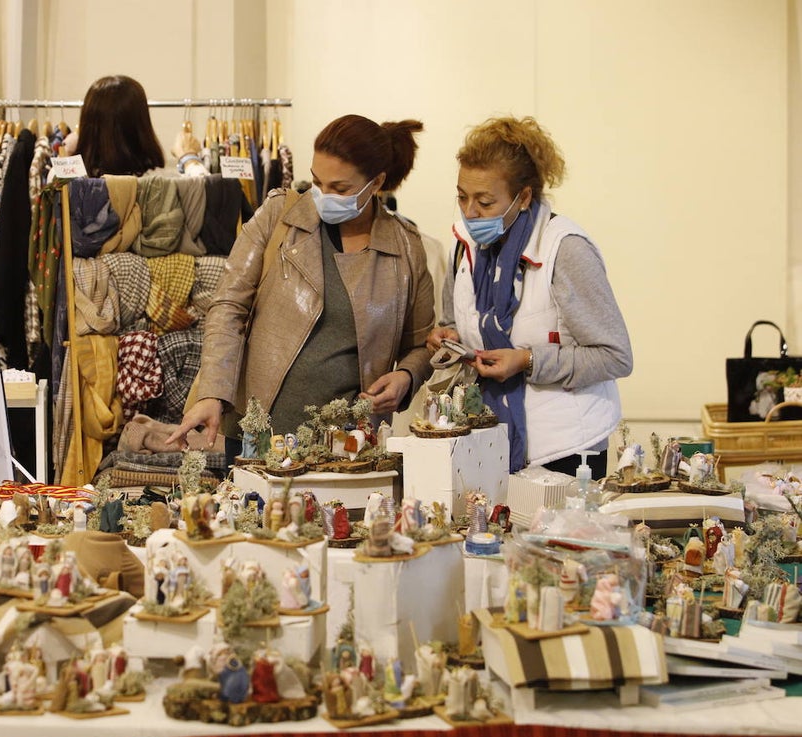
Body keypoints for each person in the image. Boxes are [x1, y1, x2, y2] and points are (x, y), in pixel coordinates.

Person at [166, 114, 435, 450]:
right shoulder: (279, 216)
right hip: (257, 433)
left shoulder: (405, 248)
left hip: (347, 445)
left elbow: (422, 343)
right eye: (317, 181)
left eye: (340, 188)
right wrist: (213, 392)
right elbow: (228, 307)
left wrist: (406, 377)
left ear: (377, 182)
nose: (323, 196)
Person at [426, 116, 631, 477]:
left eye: (485, 202)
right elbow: (455, 321)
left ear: (523, 198)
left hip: (565, 450)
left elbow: (614, 357)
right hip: (487, 439)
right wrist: (450, 337)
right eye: (462, 196)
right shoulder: (465, 247)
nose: (470, 212)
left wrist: (528, 361)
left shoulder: (565, 250)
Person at [74, 74, 207, 178]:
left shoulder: (67, 184)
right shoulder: (160, 184)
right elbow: (208, 194)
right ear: (141, 128)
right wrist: (188, 156)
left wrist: (66, 154)